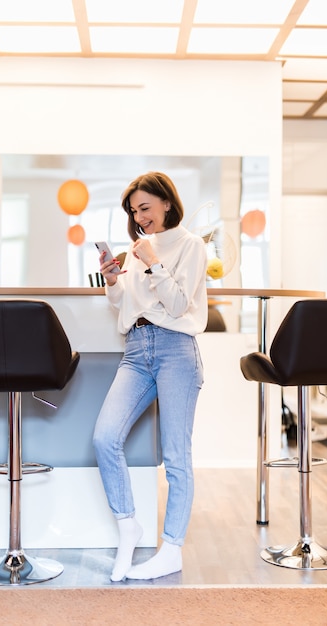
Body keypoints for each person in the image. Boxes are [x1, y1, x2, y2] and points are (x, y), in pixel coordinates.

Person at [93, 171, 208, 581]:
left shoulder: (191, 246)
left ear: (166, 203)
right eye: (134, 211)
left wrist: (153, 262)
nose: (140, 217)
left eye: (145, 208)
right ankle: (129, 527)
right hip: (137, 351)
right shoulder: (137, 249)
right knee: (105, 438)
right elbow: (128, 306)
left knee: (176, 456)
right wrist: (112, 282)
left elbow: (177, 305)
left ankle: (172, 548)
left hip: (177, 351)